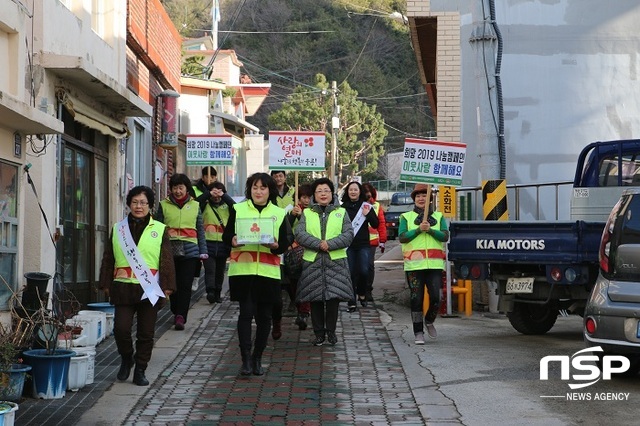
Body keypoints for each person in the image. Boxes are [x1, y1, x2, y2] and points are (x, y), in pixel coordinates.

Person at [99, 186, 176, 386]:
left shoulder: (159, 229)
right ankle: (126, 357)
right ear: (129, 205)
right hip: (123, 287)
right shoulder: (119, 229)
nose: (138, 206)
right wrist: (105, 282)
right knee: (121, 329)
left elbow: (166, 260)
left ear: (150, 206)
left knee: (146, 333)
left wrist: (167, 286)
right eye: (135, 202)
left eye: (143, 203)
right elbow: (109, 257)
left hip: (149, 289)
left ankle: (140, 369)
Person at [222, 172, 292, 375]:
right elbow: (227, 236)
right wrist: (233, 241)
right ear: (249, 189)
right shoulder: (238, 209)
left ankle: (257, 357)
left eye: (262, 188)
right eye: (254, 187)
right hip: (242, 271)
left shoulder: (278, 213)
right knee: (245, 314)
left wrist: (277, 245)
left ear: (270, 191)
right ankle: (245, 359)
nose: (258, 191)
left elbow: (286, 242)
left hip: (268, 272)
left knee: (265, 318)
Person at [295, 178, 354, 346]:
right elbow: (299, 233)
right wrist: (317, 244)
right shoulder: (306, 213)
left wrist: (329, 244)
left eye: (326, 190)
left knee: (333, 300)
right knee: (315, 300)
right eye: (319, 191)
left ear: (332, 193)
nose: (323, 194)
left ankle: (331, 331)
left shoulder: (341, 212)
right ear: (314, 195)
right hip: (312, 262)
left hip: (335, 261)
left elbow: (348, 234)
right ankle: (319, 333)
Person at [154, 173, 208, 331]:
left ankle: (180, 316)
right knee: (173, 285)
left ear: (187, 189)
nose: (178, 191)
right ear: (171, 189)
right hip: (169, 250)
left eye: (181, 187)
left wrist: (203, 251)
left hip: (190, 252)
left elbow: (200, 230)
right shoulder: (163, 205)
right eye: (175, 188)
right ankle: (175, 310)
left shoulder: (195, 205)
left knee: (185, 285)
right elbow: (157, 229)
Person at [398, 183, 449, 344]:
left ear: (430, 199)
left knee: (436, 297)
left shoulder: (439, 217)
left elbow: (445, 236)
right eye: (418, 196)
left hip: (434, 265)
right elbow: (402, 237)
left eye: (424, 195)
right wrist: (419, 229)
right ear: (414, 199)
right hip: (414, 266)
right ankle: (418, 331)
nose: (421, 198)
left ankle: (429, 320)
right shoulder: (406, 217)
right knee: (416, 299)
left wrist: (431, 230)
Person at [341, 181, 379, 312]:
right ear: (347, 192)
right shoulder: (342, 208)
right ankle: (351, 301)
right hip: (348, 245)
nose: (353, 192)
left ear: (359, 191)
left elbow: (375, 224)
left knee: (364, 271)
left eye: (355, 189)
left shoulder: (366, 206)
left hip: (363, 245)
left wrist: (368, 214)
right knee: (350, 272)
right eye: (350, 189)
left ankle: (362, 293)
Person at [269, 170, 295, 339]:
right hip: (257, 256)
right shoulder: (270, 197)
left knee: (289, 275)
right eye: (275, 176)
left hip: (287, 242)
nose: (278, 178)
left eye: (280, 176)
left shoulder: (293, 193)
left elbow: (288, 228)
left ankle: (294, 303)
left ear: (285, 177)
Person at [201, 181, 235, 304]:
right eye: (214, 193)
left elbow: (236, 207)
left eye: (219, 193)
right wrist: (207, 194)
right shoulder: (205, 205)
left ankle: (217, 292)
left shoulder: (227, 206)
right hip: (207, 242)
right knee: (210, 269)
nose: (216, 197)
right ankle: (210, 291)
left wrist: (224, 195)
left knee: (220, 270)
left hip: (223, 243)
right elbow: (196, 204)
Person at [286, 183, 313, 330]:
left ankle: (304, 313)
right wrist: (292, 216)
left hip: (310, 251)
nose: (306, 200)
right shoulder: (292, 210)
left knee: (307, 281)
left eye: (309, 197)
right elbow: (285, 229)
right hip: (294, 252)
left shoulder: (315, 211)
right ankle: (300, 309)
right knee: (294, 283)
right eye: (303, 197)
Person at [191, 166, 218, 291]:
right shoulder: (195, 189)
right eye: (208, 176)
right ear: (203, 177)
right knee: (196, 256)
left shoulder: (218, 189)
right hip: (194, 226)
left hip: (210, 231)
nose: (211, 179)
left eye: (213, 177)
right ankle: (195, 276)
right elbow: (194, 204)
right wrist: (207, 195)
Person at [362, 182, 387, 302]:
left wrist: (382, 240)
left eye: (370, 194)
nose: (368, 197)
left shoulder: (376, 206)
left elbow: (381, 223)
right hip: (356, 241)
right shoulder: (356, 205)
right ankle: (358, 289)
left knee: (369, 266)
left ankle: (368, 290)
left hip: (371, 242)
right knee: (358, 267)